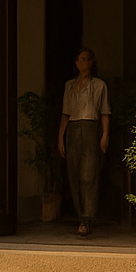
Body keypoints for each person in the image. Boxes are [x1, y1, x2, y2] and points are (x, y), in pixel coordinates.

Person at [57, 47, 110, 237]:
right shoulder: (69, 86)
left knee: (89, 174)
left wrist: (105, 134)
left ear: (92, 62)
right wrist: (60, 137)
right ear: (76, 63)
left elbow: (104, 112)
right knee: (74, 174)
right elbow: (66, 113)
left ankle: (87, 218)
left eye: (87, 59)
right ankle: (80, 215)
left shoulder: (99, 85)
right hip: (73, 129)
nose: (84, 63)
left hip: (90, 128)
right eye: (80, 59)